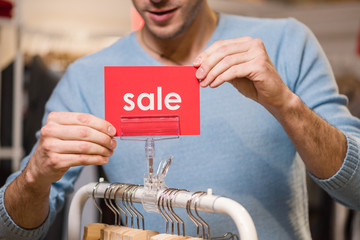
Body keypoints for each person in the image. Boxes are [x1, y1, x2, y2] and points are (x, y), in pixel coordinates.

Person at [1, 0, 360, 239]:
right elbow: (12, 230)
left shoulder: (286, 43)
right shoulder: (86, 77)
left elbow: (356, 191)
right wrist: (34, 176)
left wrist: (286, 105)